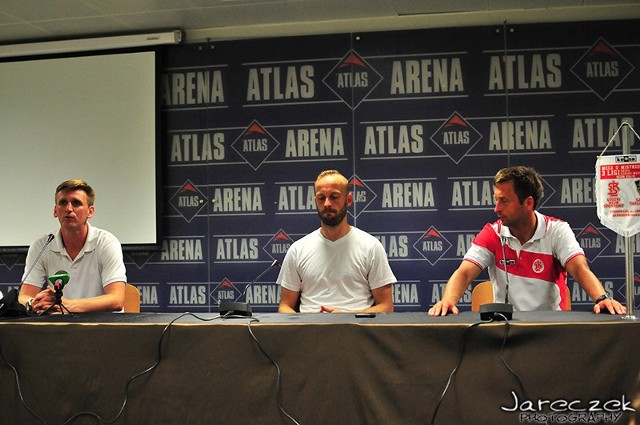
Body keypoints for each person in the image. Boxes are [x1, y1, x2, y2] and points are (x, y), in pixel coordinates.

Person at [428, 166, 626, 316]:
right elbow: (464, 273)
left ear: (528, 202)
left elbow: (580, 269)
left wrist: (601, 298)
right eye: (495, 200)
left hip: (549, 327)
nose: (496, 208)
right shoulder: (493, 232)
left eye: (504, 201)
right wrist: (448, 300)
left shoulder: (556, 230)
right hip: (506, 330)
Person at [277, 170, 396, 313]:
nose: (327, 203)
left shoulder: (371, 247)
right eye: (321, 198)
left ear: (349, 200)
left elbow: (386, 307)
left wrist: (345, 317)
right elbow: (285, 307)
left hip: (356, 332)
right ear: (315, 201)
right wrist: (305, 324)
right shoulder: (297, 250)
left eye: (334, 197)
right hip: (309, 332)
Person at [18, 179, 127, 314]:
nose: (69, 209)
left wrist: (68, 305)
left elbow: (116, 299)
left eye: (76, 203)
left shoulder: (106, 243)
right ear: (55, 211)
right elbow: (23, 297)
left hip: (101, 328)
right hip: (59, 327)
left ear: (90, 211)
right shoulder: (41, 245)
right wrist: (33, 303)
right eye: (63, 203)